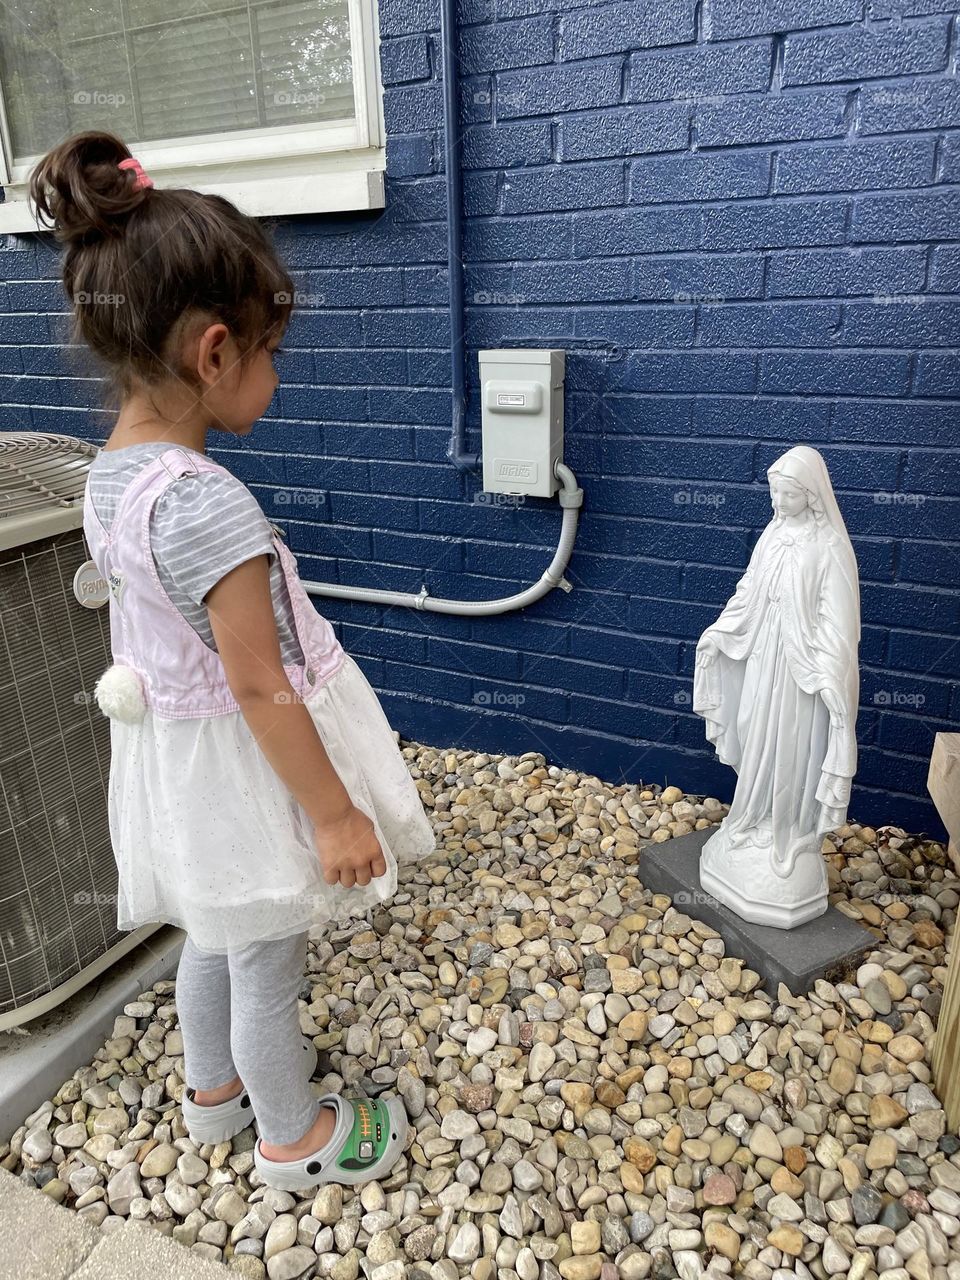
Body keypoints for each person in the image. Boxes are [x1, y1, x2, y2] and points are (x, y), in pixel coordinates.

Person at [29, 130, 436, 1191]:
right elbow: (260, 683)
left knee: (208, 929)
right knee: (265, 950)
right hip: (248, 768)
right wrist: (337, 813)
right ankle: (293, 1135)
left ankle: (211, 1094)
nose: (274, 373)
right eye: (270, 351)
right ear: (215, 353)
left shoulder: (108, 475)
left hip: (179, 755)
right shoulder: (208, 504)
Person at [692, 445, 860, 929]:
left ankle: (785, 835)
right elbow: (750, 588)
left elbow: (839, 620)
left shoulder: (828, 548)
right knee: (753, 729)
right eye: (775, 493)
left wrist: (829, 671)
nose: (779, 502)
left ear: (810, 495)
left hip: (800, 672)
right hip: (764, 656)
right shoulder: (774, 533)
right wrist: (724, 628)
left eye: (787, 494)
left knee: (788, 747)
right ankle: (748, 821)